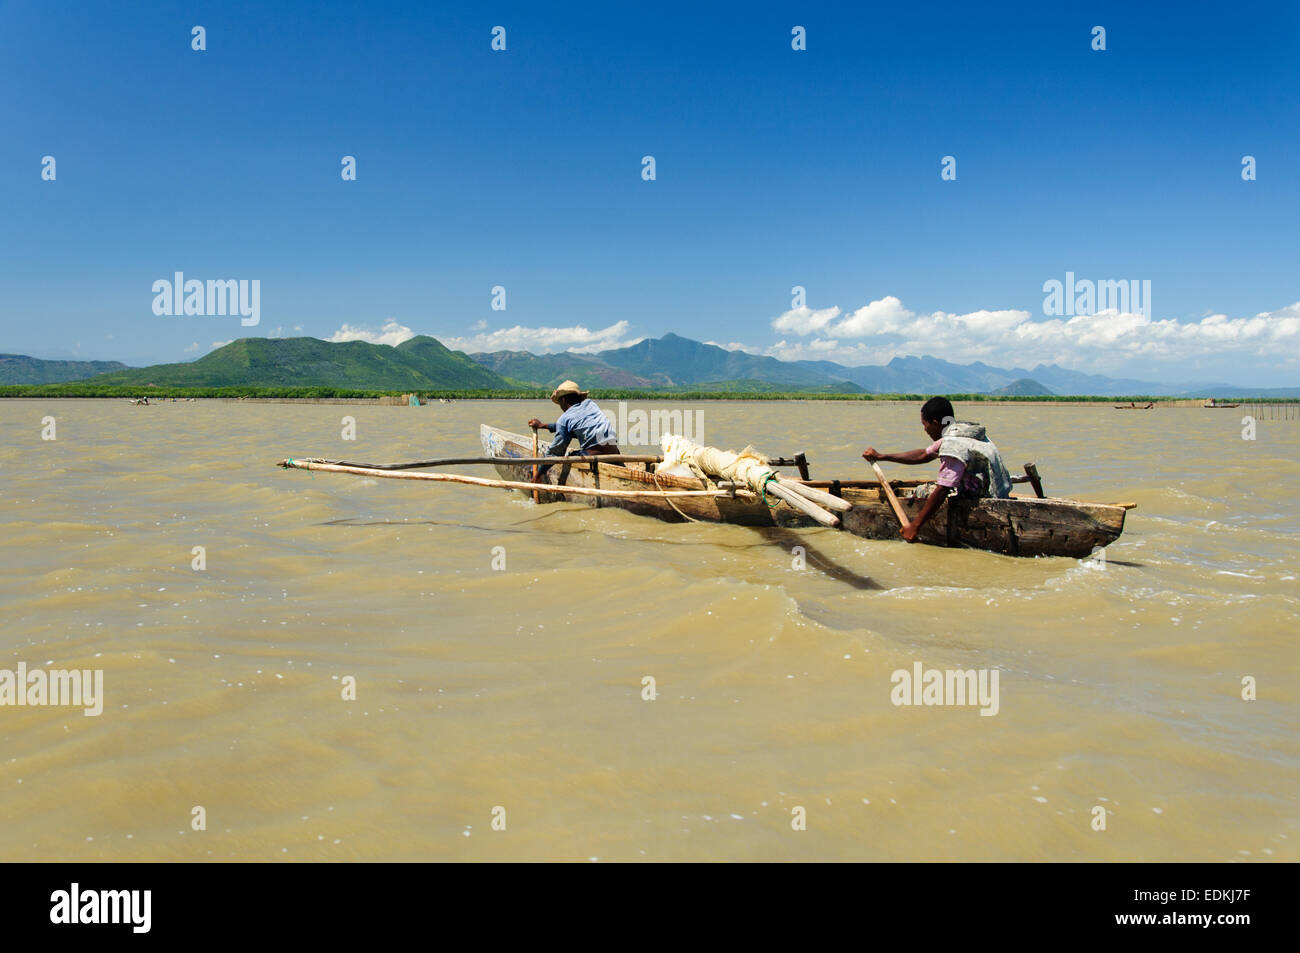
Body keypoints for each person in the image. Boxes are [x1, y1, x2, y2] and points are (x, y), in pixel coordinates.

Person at [862, 397, 1013, 543]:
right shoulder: (965, 431)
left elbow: (943, 489)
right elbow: (923, 455)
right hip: (998, 493)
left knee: (922, 491)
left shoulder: (953, 443)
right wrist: (881, 456)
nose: (925, 429)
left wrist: (915, 526)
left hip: (985, 501)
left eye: (924, 424)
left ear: (935, 423)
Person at [527, 380, 620, 481]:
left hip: (593, 457)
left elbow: (555, 452)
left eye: (559, 403)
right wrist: (543, 425)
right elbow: (570, 428)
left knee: (570, 456)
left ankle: (561, 488)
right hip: (614, 454)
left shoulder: (565, 418)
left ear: (563, 400)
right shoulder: (591, 405)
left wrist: (539, 474)